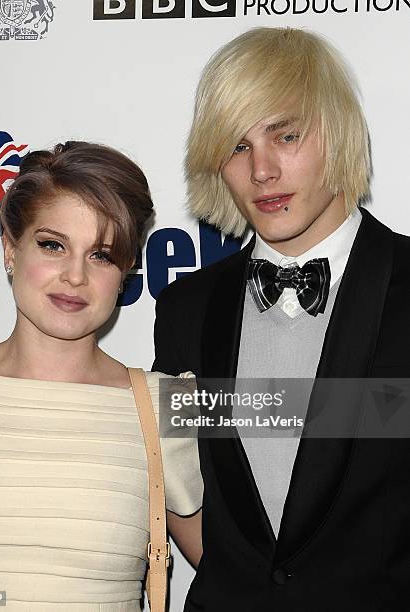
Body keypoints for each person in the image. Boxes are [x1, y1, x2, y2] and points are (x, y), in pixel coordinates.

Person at [153, 27, 410, 611]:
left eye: (285, 135)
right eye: (237, 146)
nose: (261, 170)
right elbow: (178, 485)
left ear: (338, 134)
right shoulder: (186, 310)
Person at [0, 141, 202, 611]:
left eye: (101, 255)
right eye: (52, 245)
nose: (74, 276)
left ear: (126, 271)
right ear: (10, 246)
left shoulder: (164, 405)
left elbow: (243, 572)